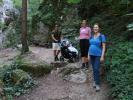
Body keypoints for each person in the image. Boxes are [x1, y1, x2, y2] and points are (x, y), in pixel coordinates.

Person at [89, 23, 106, 92]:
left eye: (96, 27)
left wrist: (102, 56)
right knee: (93, 68)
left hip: (98, 55)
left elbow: (104, 47)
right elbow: (89, 46)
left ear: (98, 28)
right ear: (93, 29)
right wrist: (88, 55)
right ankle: (95, 80)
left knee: (96, 69)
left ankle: (97, 84)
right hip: (91, 54)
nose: (95, 28)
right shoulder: (91, 36)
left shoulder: (102, 36)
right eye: (94, 27)